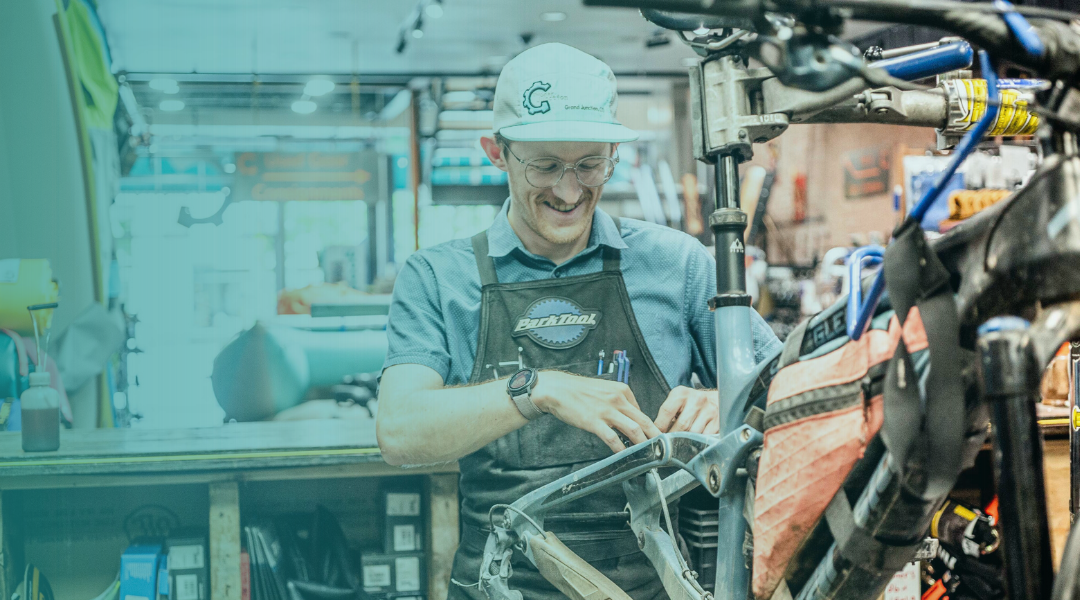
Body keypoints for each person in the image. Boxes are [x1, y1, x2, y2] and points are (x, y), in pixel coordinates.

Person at [376, 42, 781, 600]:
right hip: (502, 587)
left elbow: (792, 390)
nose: (569, 190)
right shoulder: (438, 278)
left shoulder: (678, 264)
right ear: (496, 152)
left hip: (653, 585)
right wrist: (536, 389)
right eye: (545, 166)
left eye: (590, 164)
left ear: (613, 152)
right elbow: (399, 430)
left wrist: (731, 402)